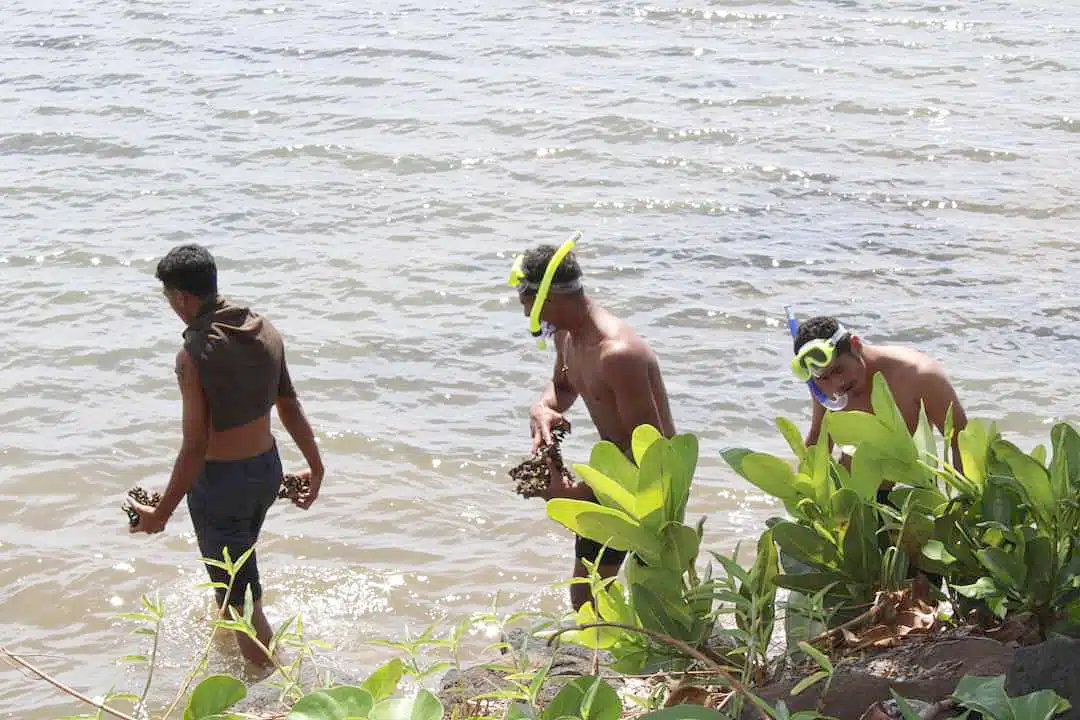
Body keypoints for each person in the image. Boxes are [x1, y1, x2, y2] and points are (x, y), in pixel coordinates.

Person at [128, 243, 325, 667]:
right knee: (235, 578)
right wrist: (317, 465)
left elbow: (195, 446)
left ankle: (276, 690)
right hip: (265, 472)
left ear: (181, 297)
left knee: (244, 605)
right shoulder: (262, 328)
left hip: (223, 488)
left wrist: (161, 513)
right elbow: (288, 404)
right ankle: (230, 642)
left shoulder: (192, 356)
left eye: (168, 299)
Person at [509, 238, 675, 611]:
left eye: (525, 302)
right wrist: (543, 408)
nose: (525, 315)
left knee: (659, 602)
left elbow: (650, 451)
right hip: (611, 479)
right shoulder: (567, 336)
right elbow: (563, 386)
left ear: (547, 299)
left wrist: (576, 496)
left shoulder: (617, 355)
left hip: (651, 488)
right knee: (585, 595)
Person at [792, 315, 968, 492]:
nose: (836, 383)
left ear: (856, 345)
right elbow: (818, 440)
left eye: (839, 369)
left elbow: (961, 441)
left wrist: (965, 504)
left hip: (912, 493)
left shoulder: (919, 376)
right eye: (824, 377)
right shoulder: (821, 386)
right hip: (852, 496)